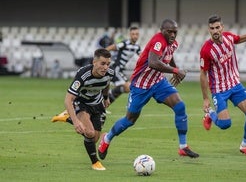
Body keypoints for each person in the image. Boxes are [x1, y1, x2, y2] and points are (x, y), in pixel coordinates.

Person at [98, 19, 199, 161]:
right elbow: (153, 62)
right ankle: (107, 139)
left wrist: (174, 71)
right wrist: (176, 70)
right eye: (169, 31)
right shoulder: (158, 41)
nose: (172, 34)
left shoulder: (173, 43)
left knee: (180, 106)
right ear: (162, 30)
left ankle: (183, 147)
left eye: (174, 32)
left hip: (158, 82)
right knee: (130, 120)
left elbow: (168, 56)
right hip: (141, 85)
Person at [200, 14, 246, 157]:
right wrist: (206, 99)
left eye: (218, 27)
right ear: (209, 30)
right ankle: (210, 114)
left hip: (235, 85)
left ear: (222, 27)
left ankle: (244, 145)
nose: (215, 31)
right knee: (225, 124)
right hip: (219, 90)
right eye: (212, 28)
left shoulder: (229, 38)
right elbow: (203, 75)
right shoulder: (206, 50)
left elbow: (239, 39)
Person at [53, 48, 114, 170]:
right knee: (89, 133)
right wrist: (76, 122)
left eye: (108, 64)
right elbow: (68, 99)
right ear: (94, 62)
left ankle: (67, 117)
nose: (105, 67)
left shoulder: (110, 73)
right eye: (102, 64)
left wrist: (106, 97)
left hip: (97, 105)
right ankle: (95, 162)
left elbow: (106, 83)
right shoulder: (83, 75)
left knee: (95, 138)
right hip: (81, 104)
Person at [106, 26, 141, 104]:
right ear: (130, 35)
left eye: (136, 34)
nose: (135, 36)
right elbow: (111, 47)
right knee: (128, 87)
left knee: (124, 88)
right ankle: (107, 95)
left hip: (120, 70)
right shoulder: (125, 43)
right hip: (116, 68)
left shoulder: (137, 47)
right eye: (133, 34)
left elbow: (142, 57)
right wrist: (102, 55)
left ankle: (105, 101)